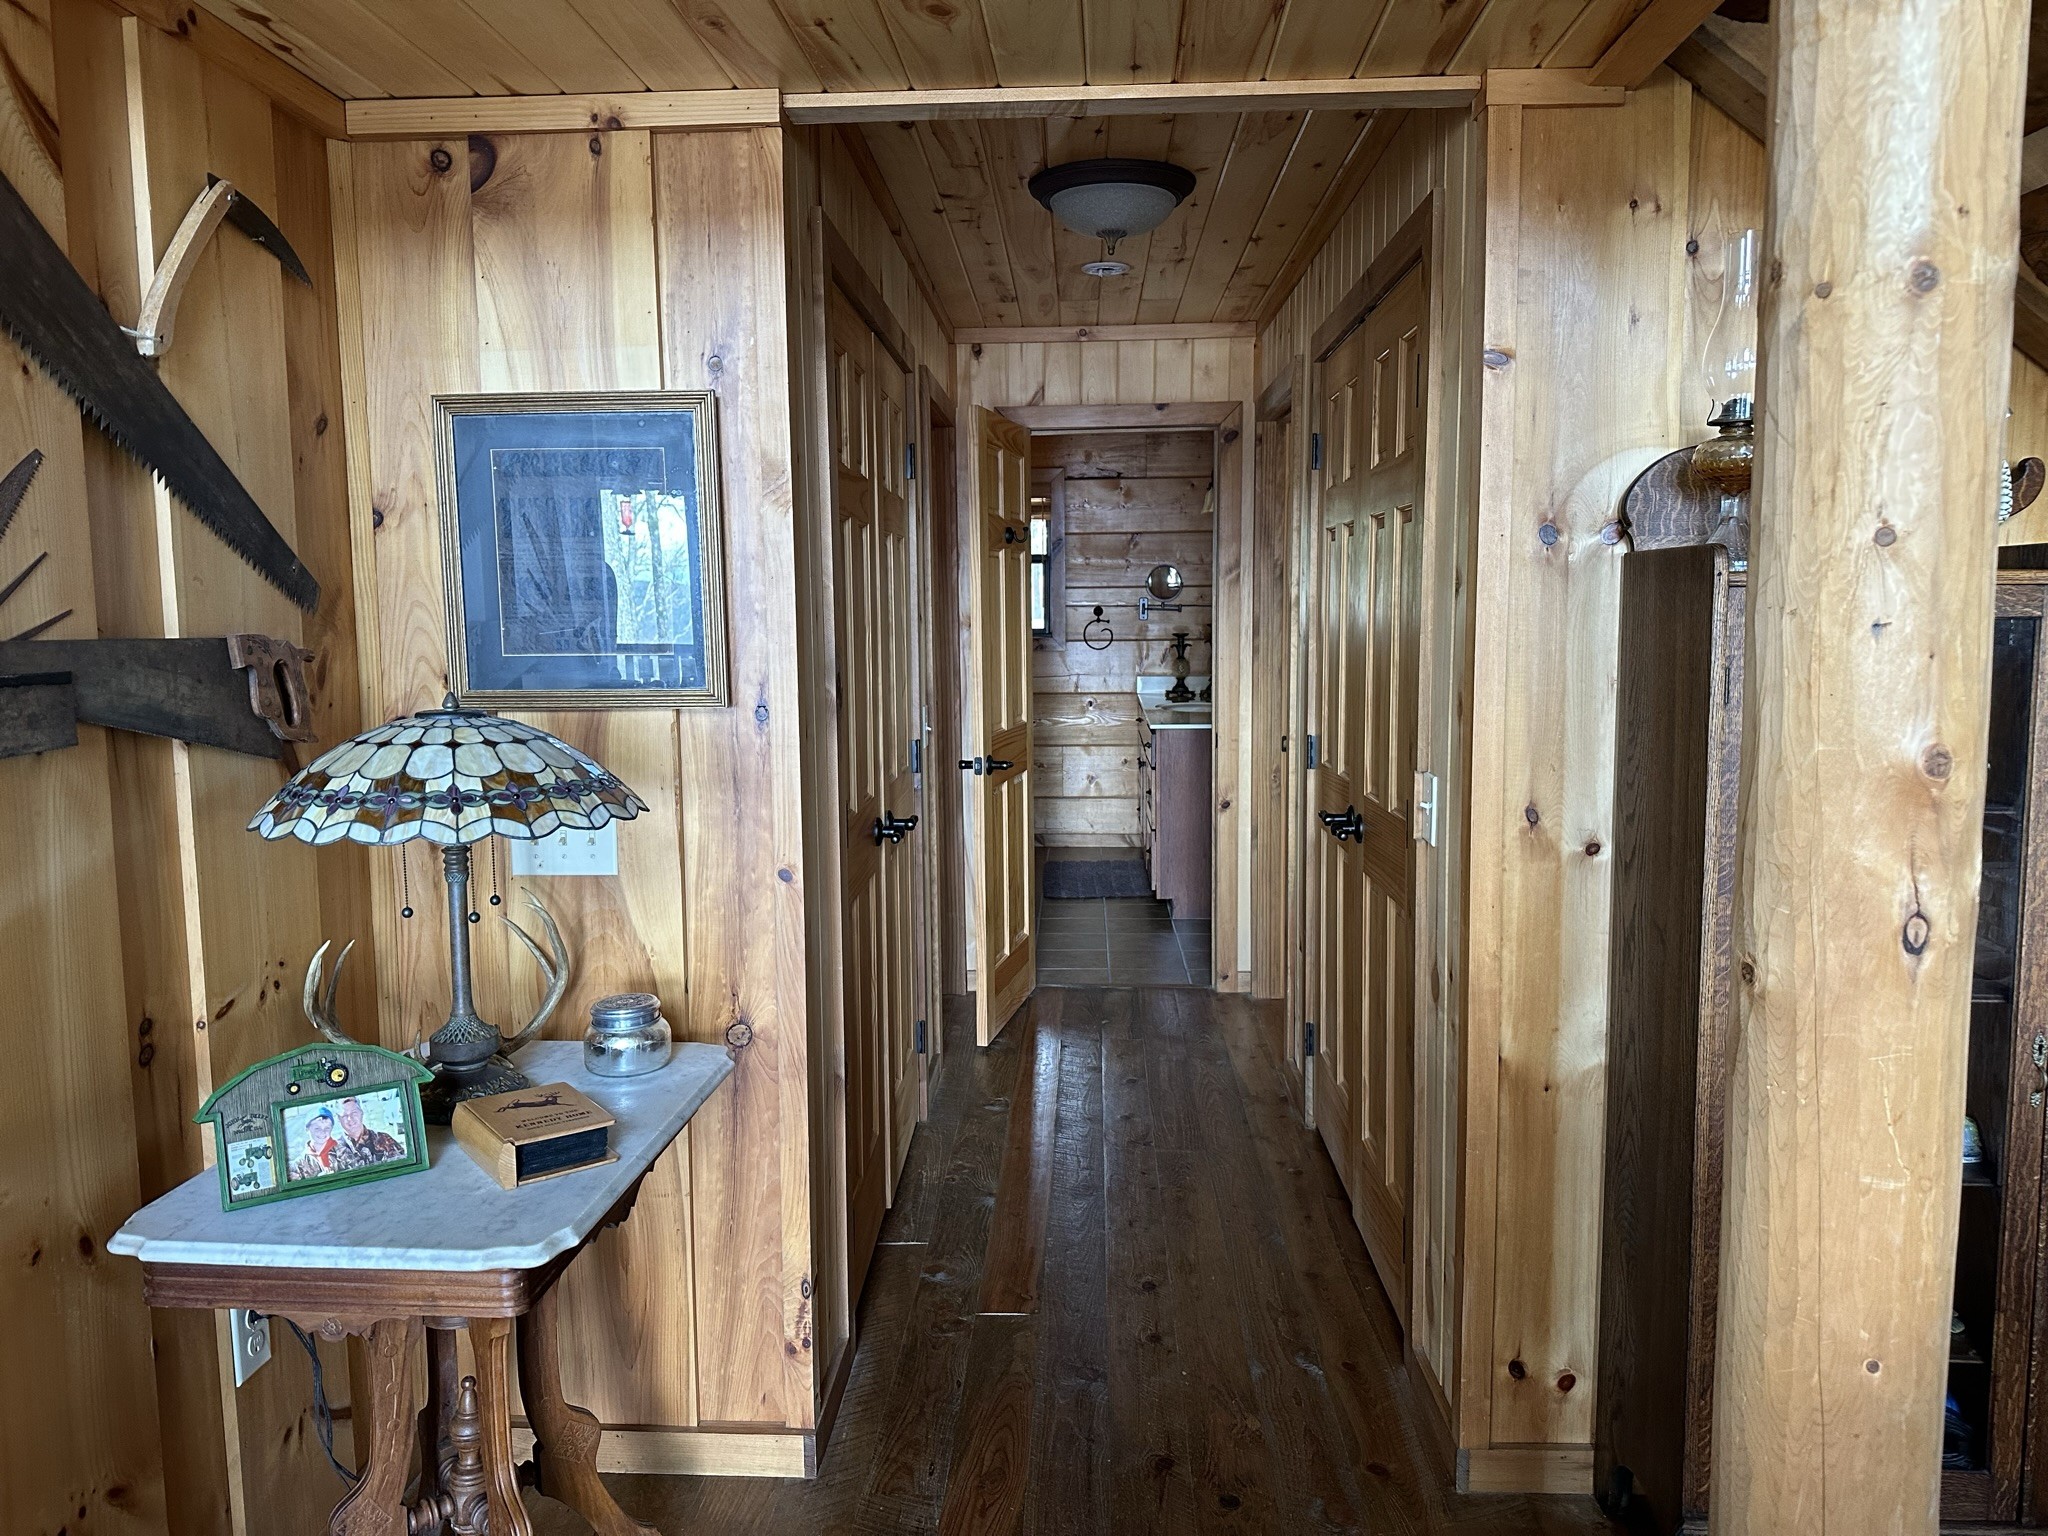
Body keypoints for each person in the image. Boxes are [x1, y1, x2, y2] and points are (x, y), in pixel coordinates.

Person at [334, 1094, 405, 1170]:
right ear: (338, 1119)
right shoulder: (335, 1152)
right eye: (344, 1115)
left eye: (354, 1113)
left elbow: (404, 1165)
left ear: (361, 1112)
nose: (349, 1118)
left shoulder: (385, 1139)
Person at [291, 1110, 342, 1181]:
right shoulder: (299, 1164)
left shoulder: (342, 1151)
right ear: (307, 1129)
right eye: (317, 1128)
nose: (322, 1132)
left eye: (327, 1128)